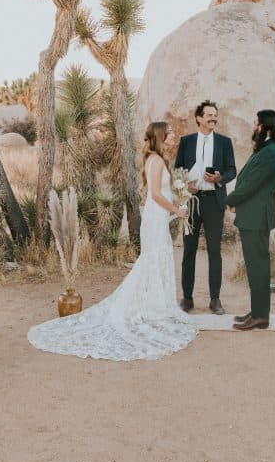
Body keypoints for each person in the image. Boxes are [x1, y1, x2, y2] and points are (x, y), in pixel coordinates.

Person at [27, 122, 197, 360]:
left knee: (156, 259)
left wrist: (180, 195)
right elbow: (156, 195)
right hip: (157, 216)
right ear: (160, 136)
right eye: (169, 133)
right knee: (154, 259)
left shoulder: (158, 159)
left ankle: (156, 305)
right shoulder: (157, 161)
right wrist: (177, 210)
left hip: (157, 216)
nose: (173, 135)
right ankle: (153, 308)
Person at [173, 100, 237, 315]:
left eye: (215, 115)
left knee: (214, 252)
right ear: (199, 118)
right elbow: (177, 169)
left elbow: (232, 170)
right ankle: (187, 298)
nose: (213, 118)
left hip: (213, 201)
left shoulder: (224, 142)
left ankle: (215, 300)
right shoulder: (186, 141)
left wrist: (220, 178)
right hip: (191, 202)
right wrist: (185, 186)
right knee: (188, 251)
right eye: (209, 114)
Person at [226, 110, 275, 331]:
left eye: (255, 123)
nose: (253, 126)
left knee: (258, 267)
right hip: (252, 215)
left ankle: (261, 316)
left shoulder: (271, 152)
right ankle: (258, 311)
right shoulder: (267, 149)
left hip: (256, 217)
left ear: (264, 127)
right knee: (255, 267)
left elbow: (251, 184)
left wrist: (229, 200)